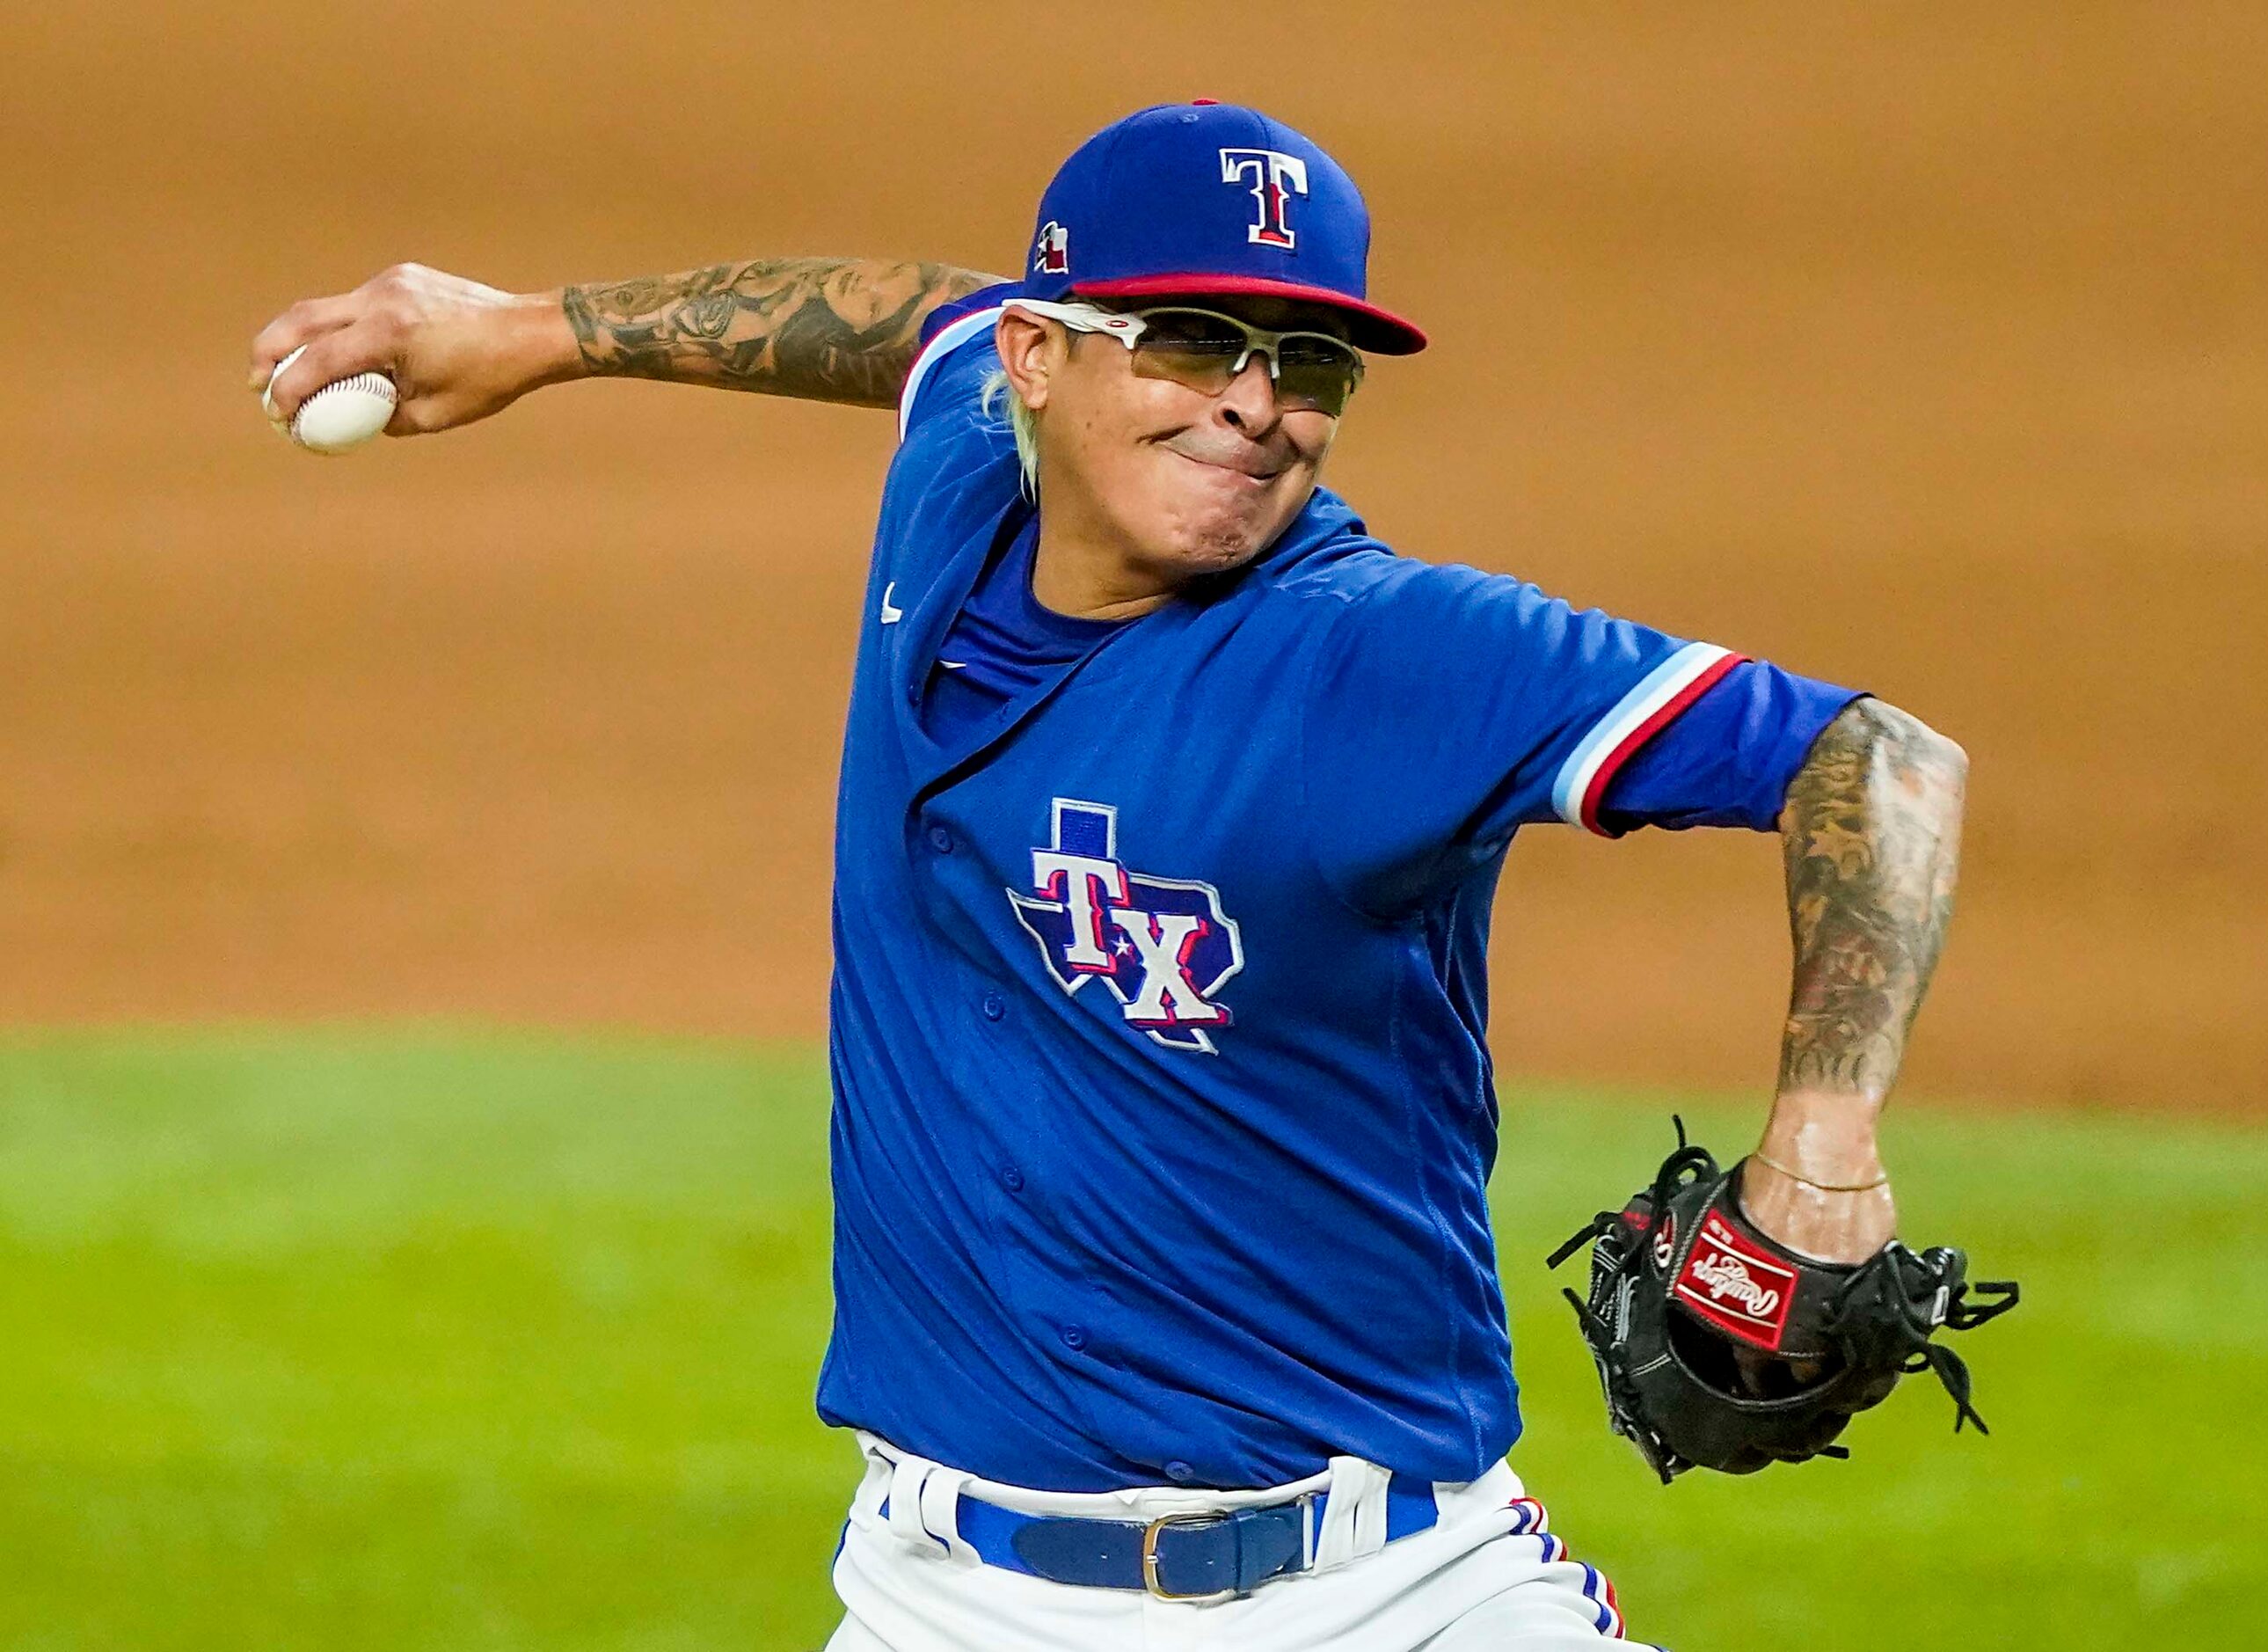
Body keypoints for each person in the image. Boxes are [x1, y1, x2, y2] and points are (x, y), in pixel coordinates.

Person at [251, 101, 1967, 1652]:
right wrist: (535, 332)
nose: (1252, 398)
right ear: (1040, 363)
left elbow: (1873, 758)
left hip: (1387, 1597)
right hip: (940, 1603)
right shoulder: (957, 483)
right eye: (1192, 339)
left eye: (1308, 361)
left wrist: (1820, 1132)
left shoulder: (1392, 656)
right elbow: (900, 314)